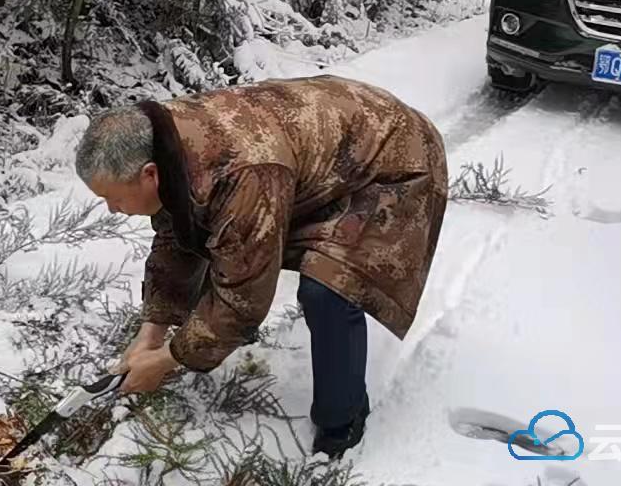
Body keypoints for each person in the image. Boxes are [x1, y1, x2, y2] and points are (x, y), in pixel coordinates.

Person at [73, 74, 448, 459]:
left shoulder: (242, 173)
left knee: (330, 286)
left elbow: (243, 299)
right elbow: (180, 235)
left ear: (148, 174)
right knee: (247, 238)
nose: (111, 209)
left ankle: (342, 420)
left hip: (396, 159)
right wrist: (151, 333)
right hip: (326, 148)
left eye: (112, 198)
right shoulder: (165, 140)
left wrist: (169, 360)